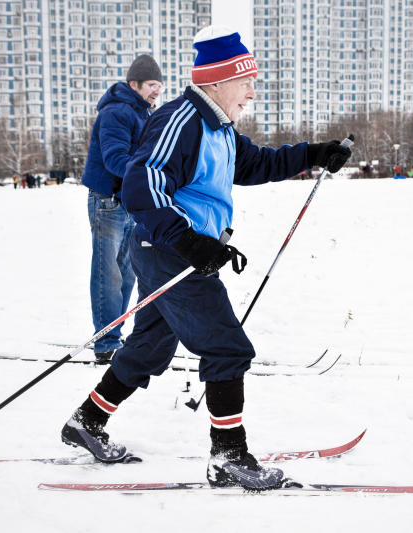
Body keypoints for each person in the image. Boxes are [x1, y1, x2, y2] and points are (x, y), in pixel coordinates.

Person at [60, 26, 352, 491]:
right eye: (246, 83)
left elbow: (256, 164)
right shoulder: (182, 121)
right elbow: (142, 184)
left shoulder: (219, 128)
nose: (252, 93)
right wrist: (190, 241)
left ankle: (86, 422)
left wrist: (316, 154)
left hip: (174, 250)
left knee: (149, 346)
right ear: (217, 82)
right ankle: (229, 456)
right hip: (172, 251)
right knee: (226, 346)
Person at [80, 55, 163, 364]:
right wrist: (150, 172)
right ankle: (105, 343)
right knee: (108, 274)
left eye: (159, 85)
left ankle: (113, 332)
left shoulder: (143, 112)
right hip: (107, 202)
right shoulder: (117, 112)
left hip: (128, 202)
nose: (157, 91)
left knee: (128, 273)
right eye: (152, 85)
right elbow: (116, 158)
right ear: (134, 84)